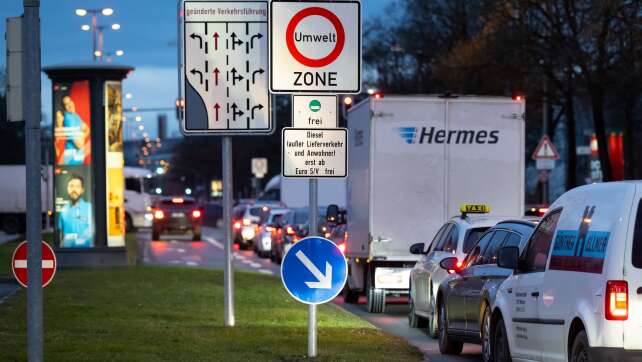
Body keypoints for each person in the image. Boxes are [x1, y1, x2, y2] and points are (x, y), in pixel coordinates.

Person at [58, 175, 93, 248]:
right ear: (67, 188)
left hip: (87, 252)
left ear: (82, 189)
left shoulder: (90, 208)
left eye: (77, 186)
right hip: (67, 253)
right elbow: (61, 235)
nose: (74, 189)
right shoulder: (63, 210)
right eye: (71, 186)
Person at [55, 96, 90, 165]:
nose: (70, 105)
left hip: (77, 158)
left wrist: (82, 137)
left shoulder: (75, 115)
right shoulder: (68, 119)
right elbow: (79, 145)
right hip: (71, 160)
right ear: (64, 108)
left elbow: (87, 129)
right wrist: (83, 138)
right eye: (66, 104)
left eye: (70, 101)